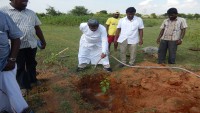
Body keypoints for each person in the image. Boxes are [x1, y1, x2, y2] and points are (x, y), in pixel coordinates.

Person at [0, 0, 46, 94]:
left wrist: (43, 40)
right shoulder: (3, 12)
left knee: (32, 63)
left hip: (31, 44)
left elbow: (37, 28)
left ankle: (33, 80)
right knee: (19, 66)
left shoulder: (31, 13)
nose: (26, 1)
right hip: (15, 46)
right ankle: (23, 86)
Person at [0, 11, 33, 113]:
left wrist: (12, 60)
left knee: (13, 94)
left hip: (4, 65)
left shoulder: (3, 16)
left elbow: (16, 38)